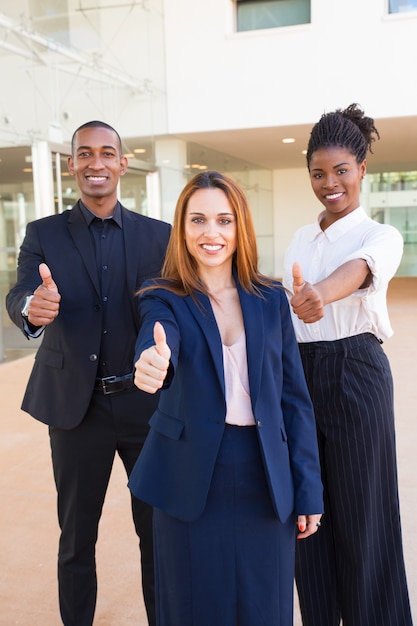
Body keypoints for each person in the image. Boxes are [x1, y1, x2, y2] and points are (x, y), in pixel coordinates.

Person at [127, 169, 324, 626]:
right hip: (190, 477)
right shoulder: (163, 298)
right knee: (195, 609)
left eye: (223, 220)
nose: (210, 233)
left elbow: (294, 401)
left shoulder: (271, 298)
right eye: (197, 221)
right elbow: (159, 341)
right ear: (182, 229)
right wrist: (154, 363)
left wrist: (308, 489)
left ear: (240, 228)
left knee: (265, 608)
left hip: (264, 476)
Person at [6, 120, 171, 626]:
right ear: (72, 163)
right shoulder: (43, 235)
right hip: (77, 410)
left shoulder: (157, 236)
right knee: (77, 537)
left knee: (158, 536)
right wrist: (33, 307)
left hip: (145, 406)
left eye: (106, 153)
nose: (95, 163)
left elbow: (163, 309)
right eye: (84, 154)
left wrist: (157, 350)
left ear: (123, 163)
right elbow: (19, 296)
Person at [283, 103, 413, 626]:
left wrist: (317, 294)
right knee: (307, 516)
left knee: (365, 519)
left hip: (355, 370)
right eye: (318, 173)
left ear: (362, 169)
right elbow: (281, 300)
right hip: (301, 373)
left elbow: (357, 273)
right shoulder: (299, 238)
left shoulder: (380, 235)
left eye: (341, 170)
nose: (329, 183)